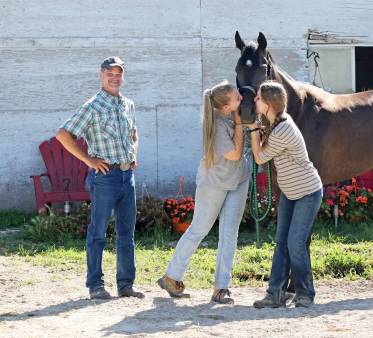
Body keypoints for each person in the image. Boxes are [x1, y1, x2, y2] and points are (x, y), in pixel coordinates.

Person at [56, 56, 144, 299]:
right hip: (104, 178)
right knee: (98, 232)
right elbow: (64, 135)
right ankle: (96, 285)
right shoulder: (93, 106)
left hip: (127, 176)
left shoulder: (128, 104)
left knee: (127, 232)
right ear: (101, 75)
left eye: (118, 74)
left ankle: (126, 285)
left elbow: (134, 135)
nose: (115, 78)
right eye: (110, 73)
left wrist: (133, 154)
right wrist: (89, 161)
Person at [157, 80, 249, 304]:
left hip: (239, 179)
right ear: (226, 107)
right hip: (214, 183)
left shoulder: (233, 114)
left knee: (230, 233)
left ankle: (221, 287)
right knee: (199, 229)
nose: (242, 98)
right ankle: (172, 276)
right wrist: (239, 122)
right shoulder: (217, 124)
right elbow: (235, 154)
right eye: (237, 97)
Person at [249, 81, 323, 308]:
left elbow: (260, 158)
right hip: (290, 193)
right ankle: (275, 294)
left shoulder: (283, 129)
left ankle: (305, 293)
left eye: (258, 98)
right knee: (281, 242)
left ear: (269, 104)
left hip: (307, 193)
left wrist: (253, 130)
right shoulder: (275, 122)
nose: (255, 101)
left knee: (295, 244)